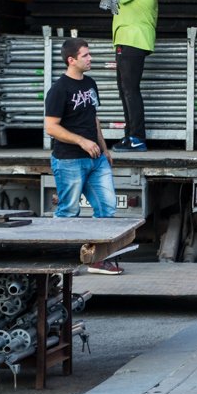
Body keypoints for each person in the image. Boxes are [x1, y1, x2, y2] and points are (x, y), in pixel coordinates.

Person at [44, 37, 122, 275]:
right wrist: (81, 141)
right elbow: (51, 127)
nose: (90, 59)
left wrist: (104, 148)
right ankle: (59, 264)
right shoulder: (58, 90)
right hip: (69, 160)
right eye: (86, 55)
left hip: (96, 159)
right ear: (71, 60)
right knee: (69, 211)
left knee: (107, 208)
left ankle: (98, 261)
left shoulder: (89, 83)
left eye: (89, 54)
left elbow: (93, 118)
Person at [86, 0, 158, 152]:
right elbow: (111, 3)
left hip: (133, 38)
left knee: (130, 90)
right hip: (126, 39)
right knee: (125, 90)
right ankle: (130, 136)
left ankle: (137, 137)